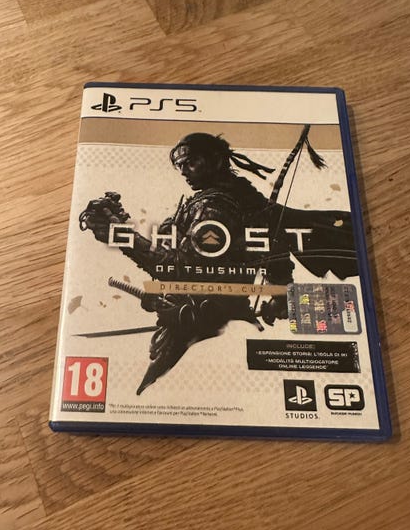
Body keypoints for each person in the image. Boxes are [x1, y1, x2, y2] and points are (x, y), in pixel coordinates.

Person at [80, 133, 293, 393]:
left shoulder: (216, 207)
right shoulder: (235, 200)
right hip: (201, 320)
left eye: (190, 163)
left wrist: (121, 235)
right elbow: (276, 254)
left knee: (150, 392)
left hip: (202, 325)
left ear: (215, 160)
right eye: (180, 165)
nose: (183, 171)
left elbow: (181, 269)